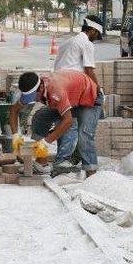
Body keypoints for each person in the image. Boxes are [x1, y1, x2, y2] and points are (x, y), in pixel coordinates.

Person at [32, 15, 104, 174]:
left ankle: (65, 162)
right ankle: (56, 161)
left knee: (65, 123)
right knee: (76, 128)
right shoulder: (85, 43)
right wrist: (98, 90)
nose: (96, 39)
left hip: (66, 89)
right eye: (97, 35)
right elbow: (89, 70)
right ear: (92, 30)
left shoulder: (67, 43)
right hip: (78, 93)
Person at [9, 70, 100, 177]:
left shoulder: (56, 91)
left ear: (41, 88)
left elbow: (68, 121)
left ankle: (91, 175)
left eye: (33, 97)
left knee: (84, 135)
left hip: (89, 98)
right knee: (40, 117)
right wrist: (15, 136)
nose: (31, 100)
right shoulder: (33, 89)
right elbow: (14, 110)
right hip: (70, 98)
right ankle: (41, 164)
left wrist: (46, 142)